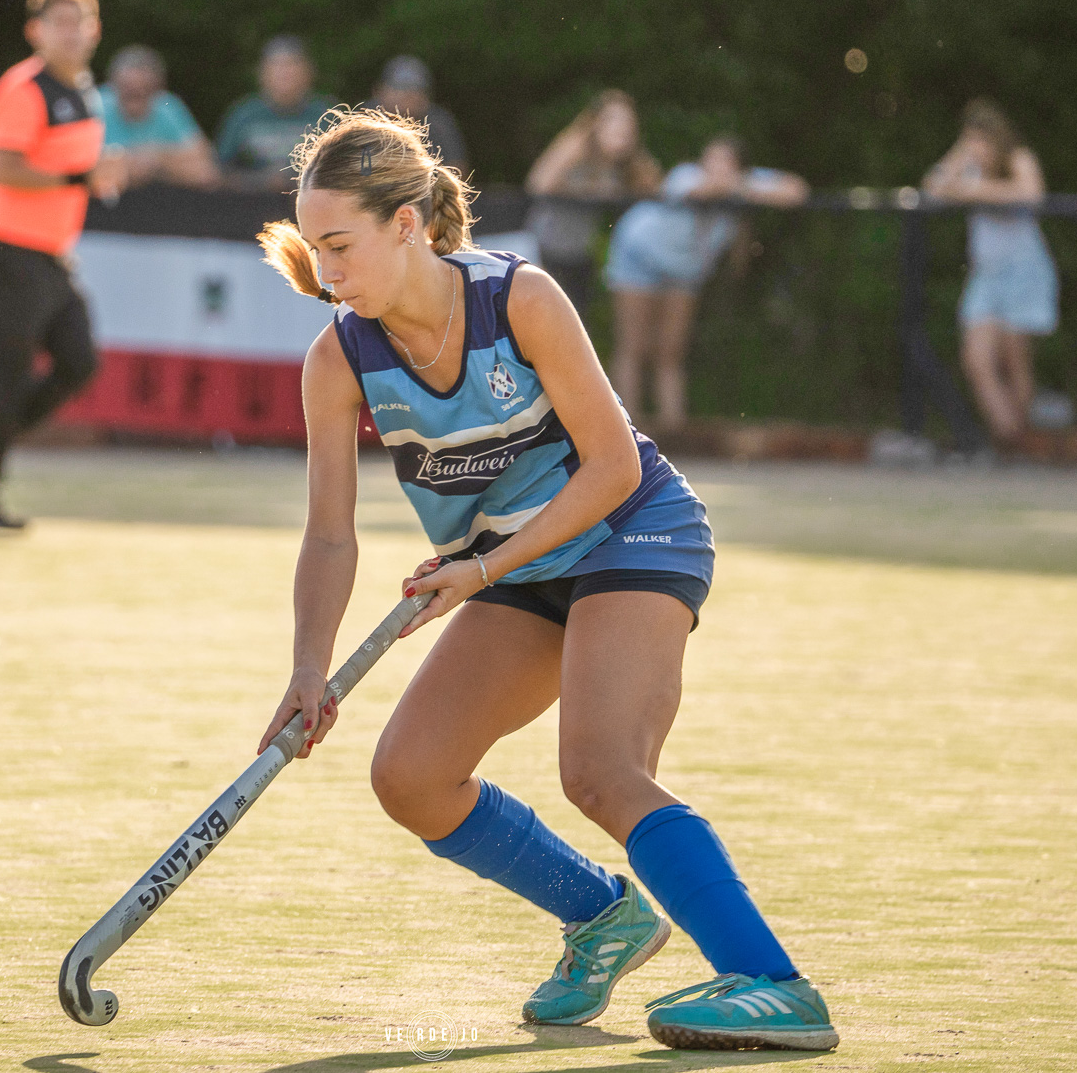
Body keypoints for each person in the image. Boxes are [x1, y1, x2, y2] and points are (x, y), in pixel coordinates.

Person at [255, 109, 839, 1052]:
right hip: (519, 565)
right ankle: (605, 920)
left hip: (630, 534)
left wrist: (479, 568)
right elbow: (330, 537)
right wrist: (307, 671)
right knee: (413, 776)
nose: (326, 274)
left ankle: (772, 983)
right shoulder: (339, 358)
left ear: (406, 225)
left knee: (601, 770)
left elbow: (610, 467)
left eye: (341, 246)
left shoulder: (518, 300)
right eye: (314, 248)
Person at [0, 0, 123, 531]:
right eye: (57, 23)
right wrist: (81, 177)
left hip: (49, 254)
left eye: (78, 21)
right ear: (34, 32)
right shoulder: (24, 88)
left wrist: (94, 178)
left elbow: (75, 173)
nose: (69, 33)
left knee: (78, 363)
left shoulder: (86, 89)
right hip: (7, 249)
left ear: (95, 30)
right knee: (10, 377)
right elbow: (2, 168)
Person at [605, 137, 808, 429]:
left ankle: (673, 432)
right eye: (710, 160)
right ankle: (623, 430)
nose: (714, 168)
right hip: (638, 255)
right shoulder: (685, 176)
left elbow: (796, 191)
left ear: (738, 166)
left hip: (683, 272)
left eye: (723, 161)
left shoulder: (745, 183)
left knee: (670, 352)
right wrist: (742, 188)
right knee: (633, 346)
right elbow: (703, 191)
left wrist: (744, 186)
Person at [923, 99, 1058, 447]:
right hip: (986, 274)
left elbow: (1031, 193)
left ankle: (1019, 444)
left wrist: (974, 191)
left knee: (1015, 360)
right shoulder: (967, 168)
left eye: (980, 141)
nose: (976, 149)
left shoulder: (1018, 158)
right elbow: (932, 189)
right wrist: (957, 157)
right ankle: (1007, 436)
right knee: (976, 359)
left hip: (1024, 271)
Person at [525, 90, 661, 317]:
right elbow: (538, 182)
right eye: (613, 119)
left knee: (576, 319)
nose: (621, 127)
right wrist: (586, 190)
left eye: (627, 122)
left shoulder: (623, 161)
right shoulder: (577, 144)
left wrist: (634, 155)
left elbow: (656, 188)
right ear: (596, 122)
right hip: (545, 248)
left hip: (580, 253)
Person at [216, 35, 332, 191]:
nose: (284, 73)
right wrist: (261, 180)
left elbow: (346, 167)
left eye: (291, 65)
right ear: (262, 73)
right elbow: (220, 169)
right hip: (251, 203)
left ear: (308, 71)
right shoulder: (244, 114)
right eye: (276, 66)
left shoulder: (326, 114)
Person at [97, 44, 217, 189]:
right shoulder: (93, 106)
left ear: (157, 89)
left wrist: (158, 158)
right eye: (127, 89)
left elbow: (207, 171)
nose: (135, 94)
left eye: (144, 89)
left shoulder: (167, 107)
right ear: (112, 84)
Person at [364, 54, 468, 175]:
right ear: (379, 90)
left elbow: (457, 170)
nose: (410, 96)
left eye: (417, 90)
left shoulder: (438, 122)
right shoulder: (363, 119)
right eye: (400, 88)